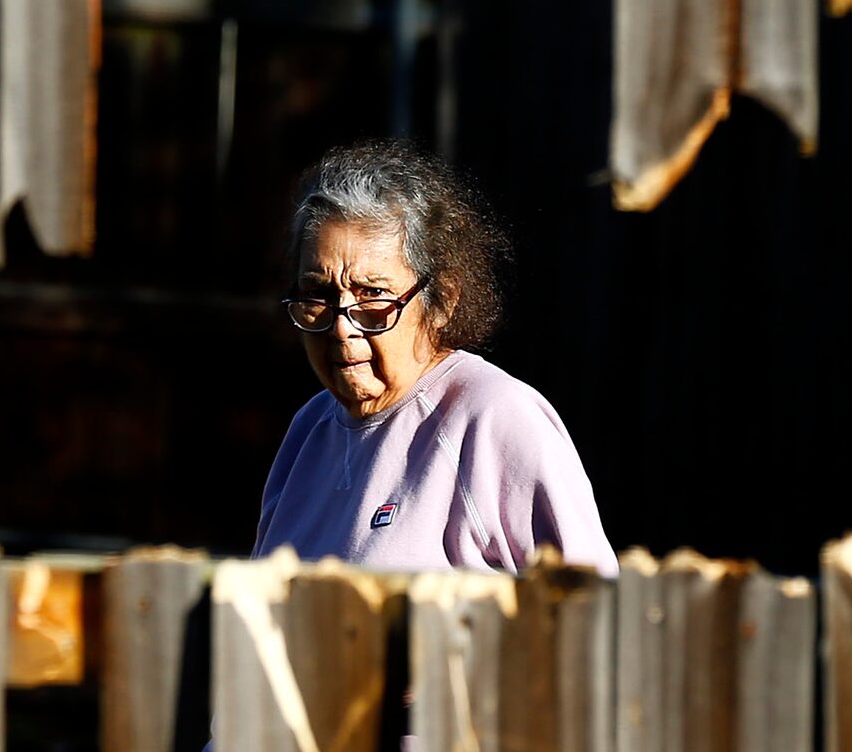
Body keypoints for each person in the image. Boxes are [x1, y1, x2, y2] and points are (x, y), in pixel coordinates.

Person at [253, 140, 615, 577]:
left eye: (373, 295)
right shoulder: (309, 429)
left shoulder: (493, 416)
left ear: (441, 300)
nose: (342, 326)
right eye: (318, 295)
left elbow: (592, 608)